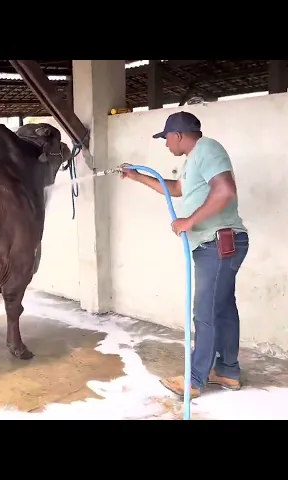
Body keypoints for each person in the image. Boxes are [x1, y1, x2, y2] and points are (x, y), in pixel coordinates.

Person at [120, 111, 249, 399]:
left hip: (217, 243)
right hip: (218, 243)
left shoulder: (208, 149)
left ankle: (194, 380)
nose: (166, 144)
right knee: (222, 308)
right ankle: (227, 372)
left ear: (178, 135)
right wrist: (137, 177)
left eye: (166, 138)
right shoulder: (193, 160)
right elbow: (177, 189)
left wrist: (189, 221)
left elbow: (225, 190)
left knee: (205, 313)